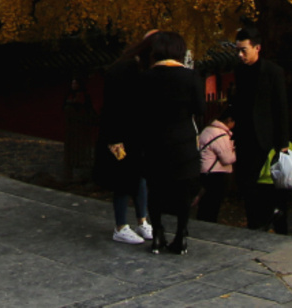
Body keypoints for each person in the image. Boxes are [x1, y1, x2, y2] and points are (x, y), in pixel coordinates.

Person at [133, 31, 206, 254]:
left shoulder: (145, 78)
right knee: (183, 190)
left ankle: (157, 235)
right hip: (182, 141)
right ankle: (181, 235)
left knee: (155, 189)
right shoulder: (191, 77)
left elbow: (138, 112)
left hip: (154, 141)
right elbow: (200, 110)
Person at [230, 26, 291, 234]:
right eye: (237, 50)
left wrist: (282, 143)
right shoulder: (239, 71)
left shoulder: (273, 72)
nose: (240, 54)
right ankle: (255, 224)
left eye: (243, 50)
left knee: (269, 186)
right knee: (247, 185)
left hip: (267, 138)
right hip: (245, 137)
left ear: (257, 48)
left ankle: (272, 220)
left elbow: (281, 108)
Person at [99, 33, 155, 244]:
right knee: (123, 178)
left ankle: (142, 220)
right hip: (119, 135)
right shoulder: (125, 69)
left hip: (134, 134)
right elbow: (113, 107)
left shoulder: (137, 67)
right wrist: (114, 139)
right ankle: (121, 225)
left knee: (139, 177)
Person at [197, 114, 235, 224]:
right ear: (229, 120)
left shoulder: (207, 130)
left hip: (205, 170)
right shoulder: (220, 134)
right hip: (216, 174)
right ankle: (209, 227)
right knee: (212, 205)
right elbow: (227, 159)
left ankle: (202, 224)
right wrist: (235, 152)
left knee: (204, 204)